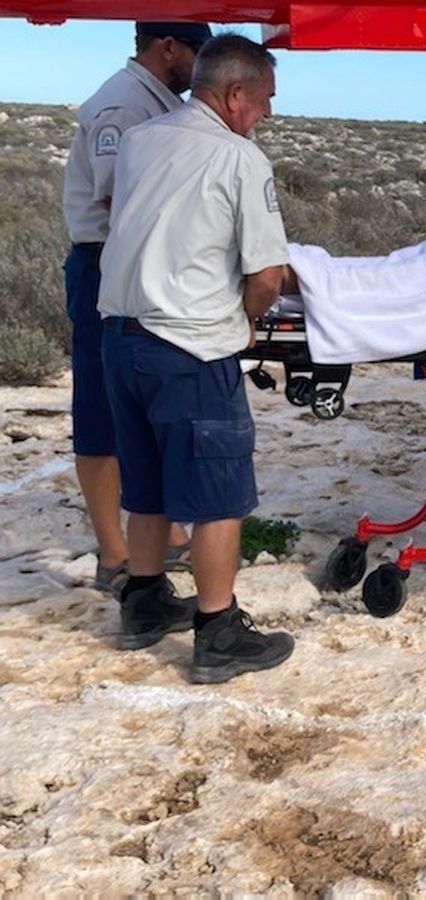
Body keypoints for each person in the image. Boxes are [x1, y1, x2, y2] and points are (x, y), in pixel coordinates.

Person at [98, 33, 294, 683]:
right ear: (235, 94)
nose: (265, 113)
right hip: (188, 345)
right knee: (218, 495)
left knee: (147, 483)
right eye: (264, 101)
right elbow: (267, 274)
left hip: (121, 340)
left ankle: (144, 601)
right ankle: (218, 631)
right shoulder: (241, 160)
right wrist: (243, 320)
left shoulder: (141, 139)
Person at [62, 21, 211, 593]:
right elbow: (115, 192)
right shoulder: (122, 106)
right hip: (108, 262)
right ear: (167, 47)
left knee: (142, 401)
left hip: (133, 259)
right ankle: (114, 551)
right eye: (198, 53)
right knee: (102, 407)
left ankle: (162, 532)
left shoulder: (152, 102)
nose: (202, 67)